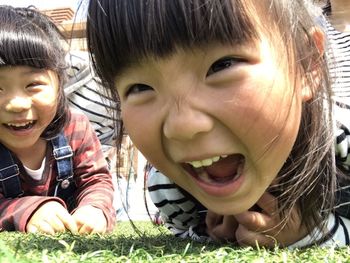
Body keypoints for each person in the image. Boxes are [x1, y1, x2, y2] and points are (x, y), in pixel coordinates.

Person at [85, 0, 350, 247]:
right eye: (140, 87)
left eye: (222, 65)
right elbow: (181, 234)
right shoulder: (169, 188)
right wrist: (211, 234)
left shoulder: (340, 140)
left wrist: (311, 234)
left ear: (306, 66)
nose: (182, 126)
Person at [0, 6, 116, 234]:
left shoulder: (76, 127)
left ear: (60, 86)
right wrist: (28, 210)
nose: (17, 104)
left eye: (33, 85)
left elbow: (96, 180)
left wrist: (94, 209)